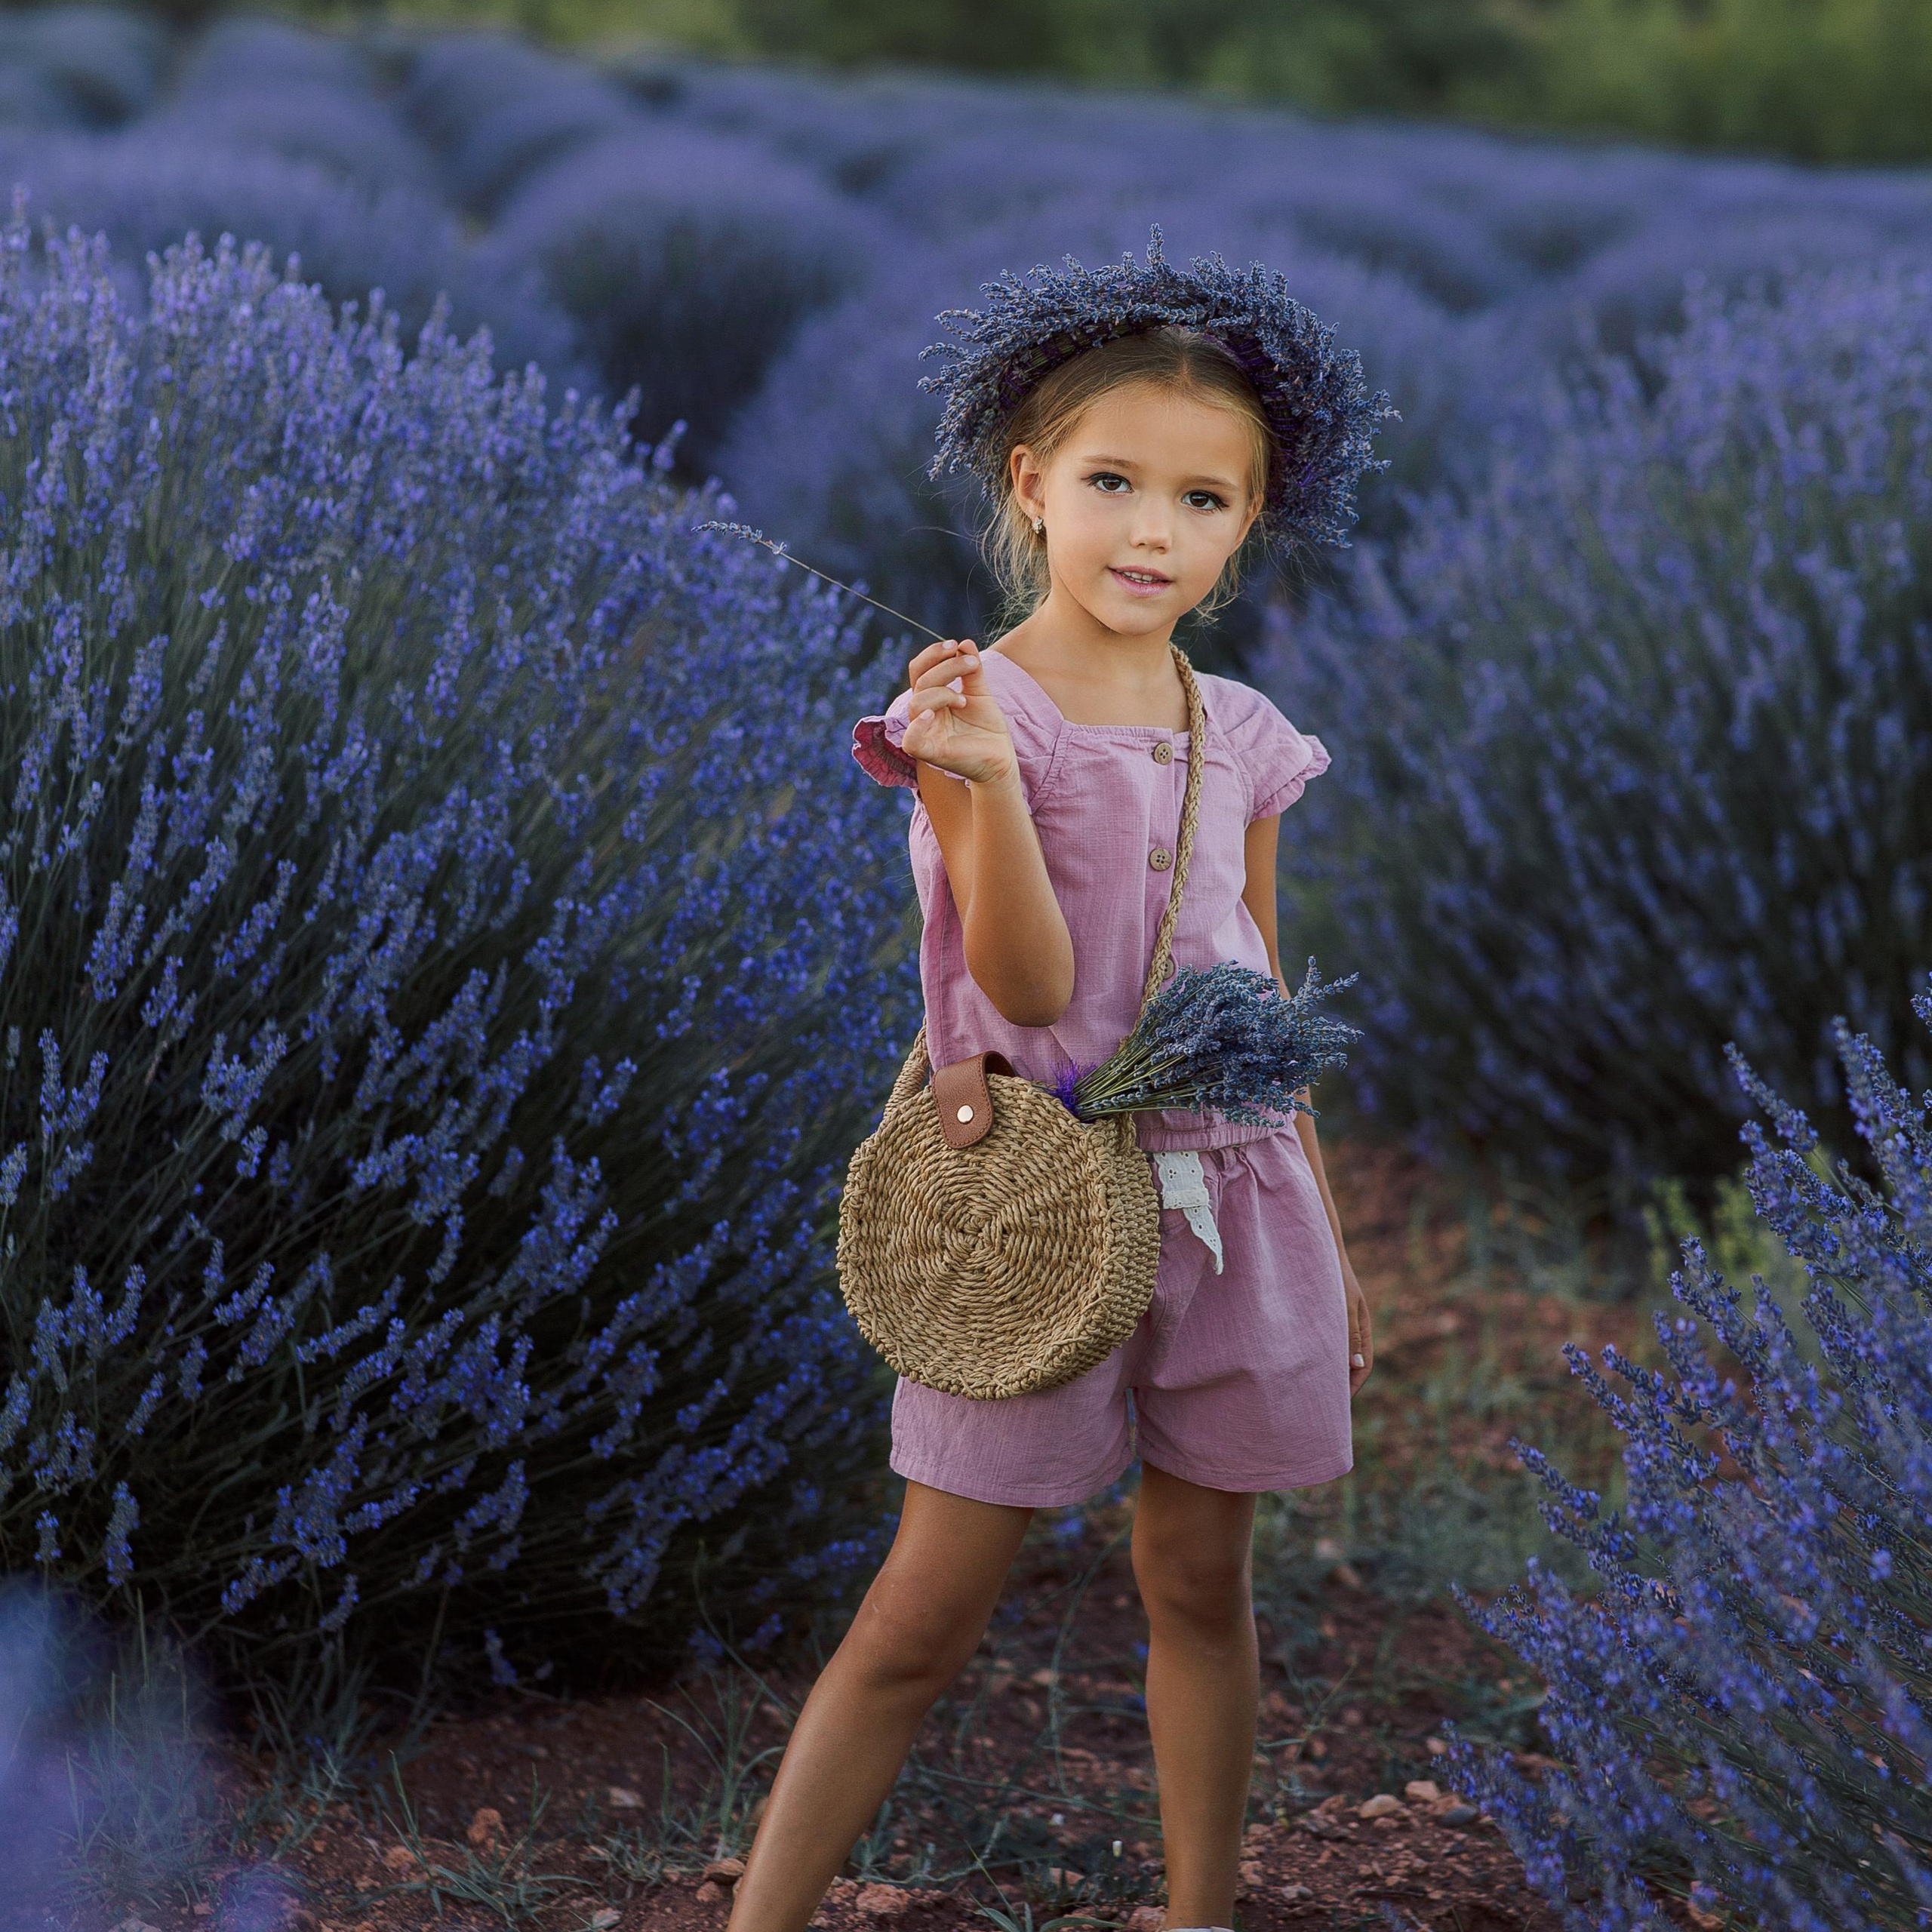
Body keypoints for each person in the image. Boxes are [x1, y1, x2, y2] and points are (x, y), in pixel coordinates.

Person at [727, 230, 1392, 1932]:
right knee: (920, 1611)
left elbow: (1259, 997)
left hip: (1230, 1199)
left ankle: (1196, 1911)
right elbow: (1021, 985)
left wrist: (1321, 1224)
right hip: (1029, 1197)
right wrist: (987, 788)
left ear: (1248, 524)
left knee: (1196, 1578)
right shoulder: (974, 714)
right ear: (1030, 486)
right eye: (1112, 481)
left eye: (1203, 498)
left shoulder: (1236, 730)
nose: (1151, 530)